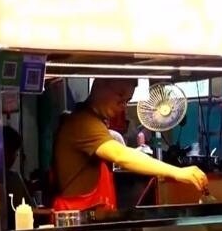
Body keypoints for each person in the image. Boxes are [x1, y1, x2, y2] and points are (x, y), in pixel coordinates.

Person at [51, 78, 208, 211]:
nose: (122, 105)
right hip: (76, 218)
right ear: (99, 84)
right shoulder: (83, 122)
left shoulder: (96, 121)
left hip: (93, 216)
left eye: (127, 101)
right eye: (120, 96)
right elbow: (120, 155)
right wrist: (177, 172)